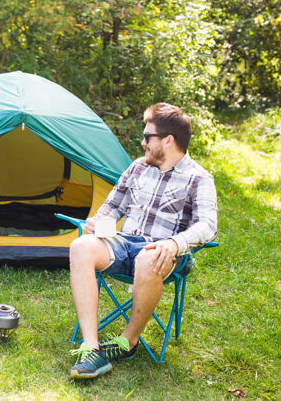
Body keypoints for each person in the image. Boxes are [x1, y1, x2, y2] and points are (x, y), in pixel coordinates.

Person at [68, 102, 218, 379]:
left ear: (168, 141)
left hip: (164, 253)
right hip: (123, 243)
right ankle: (91, 347)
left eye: (148, 137)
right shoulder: (137, 168)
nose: (142, 142)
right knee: (80, 247)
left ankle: (128, 342)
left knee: (150, 256)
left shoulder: (199, 178)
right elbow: (112, 207)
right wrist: (99, 222)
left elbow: (208, 225)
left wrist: (174, 244)